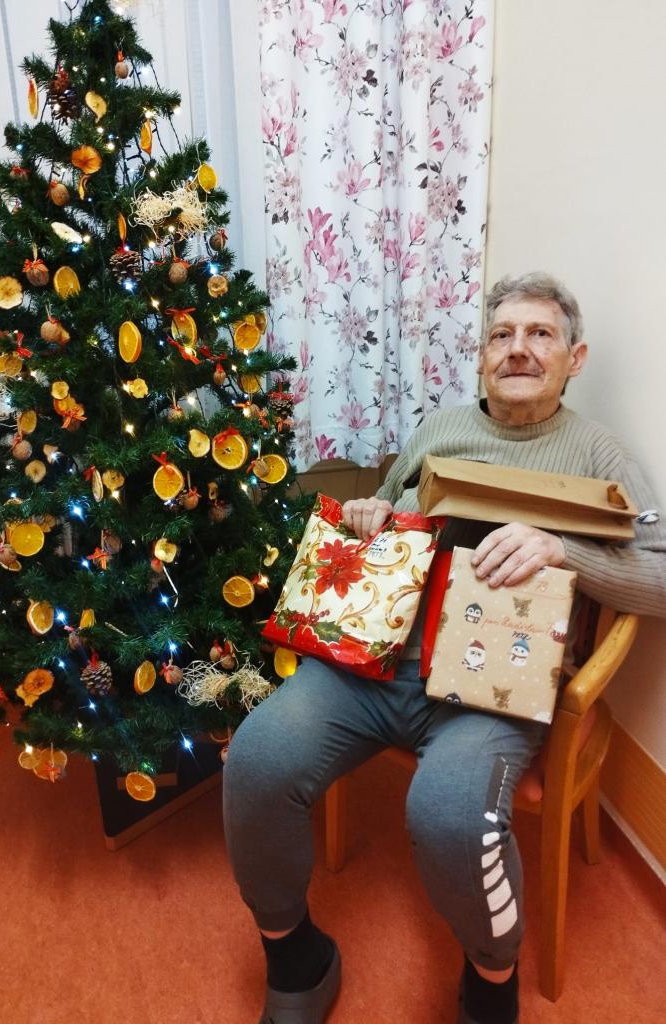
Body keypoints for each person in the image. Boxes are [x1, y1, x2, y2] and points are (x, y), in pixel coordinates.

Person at [222, 272, 666, 1024]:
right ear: (481, 355)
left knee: (450, 817)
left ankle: (490, 982)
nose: (517, 350)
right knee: (257, 762)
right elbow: (393, 502)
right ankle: (295, 954)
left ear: (575, 357)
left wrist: (561, 550)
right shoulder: (440, 428)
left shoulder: (600, 454)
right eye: (501, 336)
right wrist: (372, 513)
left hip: (493, 690)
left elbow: (659, 577)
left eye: (540, 334)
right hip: (375, 665)